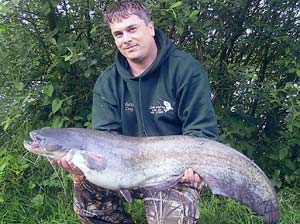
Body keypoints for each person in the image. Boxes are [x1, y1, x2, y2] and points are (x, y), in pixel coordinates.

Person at [54, 1, 218, 223]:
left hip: (174, 170)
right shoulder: (107, 82)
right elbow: (104, 140)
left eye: (132, 29)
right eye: (118, 34)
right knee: (85, 187)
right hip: (124, 168)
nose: (126, 39)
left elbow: (202, 132)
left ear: (150, 27)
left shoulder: (186, 70)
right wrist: (81, 166)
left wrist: (194, 166)